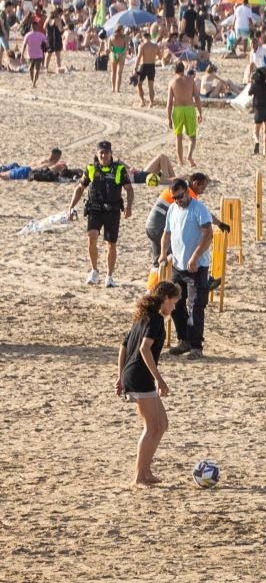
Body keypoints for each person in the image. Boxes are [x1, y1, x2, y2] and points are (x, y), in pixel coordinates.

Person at [116, 280, 180, 487]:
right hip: (139, 377)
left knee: (162, 424)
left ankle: (146, 471)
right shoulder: (155, 320)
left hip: (133, 375)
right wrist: (159, 379)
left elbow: (123, 347)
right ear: (165, 299)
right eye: (174, 302)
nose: (174, 307)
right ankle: (138, 477)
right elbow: (144, 349)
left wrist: (120, 375)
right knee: (152, 427)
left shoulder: (141, 318)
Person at [159, 176, 217, 359]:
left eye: (180, 196)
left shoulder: (199, 209)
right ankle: (183, 339)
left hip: (197, 267)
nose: (178, 201)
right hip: (178, 265)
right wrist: (162, 253)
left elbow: (208, 235)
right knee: (174, 302)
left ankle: (196, 346)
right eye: (174, 198)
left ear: (187, 191)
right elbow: (166, 234)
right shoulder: (172, 210)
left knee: (196, 305)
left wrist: (195, 256)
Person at [66, 140, 135, 286]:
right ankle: (94, 271)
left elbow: (129, 189)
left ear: (111, 154)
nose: (104, 155)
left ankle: (109, 276)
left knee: (111, 244)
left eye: (106, 153)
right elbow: (80, 188)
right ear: (97, 154)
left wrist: (128, 207)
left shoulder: (119, 169)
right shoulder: (90, 169)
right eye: (101, 153)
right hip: (95, 209)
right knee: (92, 237)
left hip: (113, 211)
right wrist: (71, 206)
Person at [166, 62, 202, 167]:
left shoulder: (172, 82)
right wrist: (200, 112)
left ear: (174, 71)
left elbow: (169, 103)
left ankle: (180, 161)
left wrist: (169, 118)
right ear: (183, 69)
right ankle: (189, 155)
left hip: (178, 110)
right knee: (192, 136)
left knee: (178, 137)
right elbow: (197, 97)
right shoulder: (191, 80)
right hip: (190, 109)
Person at [248, 63, 266, 155]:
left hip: (258, 109)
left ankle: (257, 141)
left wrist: (251, 82)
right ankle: (265, 150)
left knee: (255, 130)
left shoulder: (256, 85)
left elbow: (249, 93)